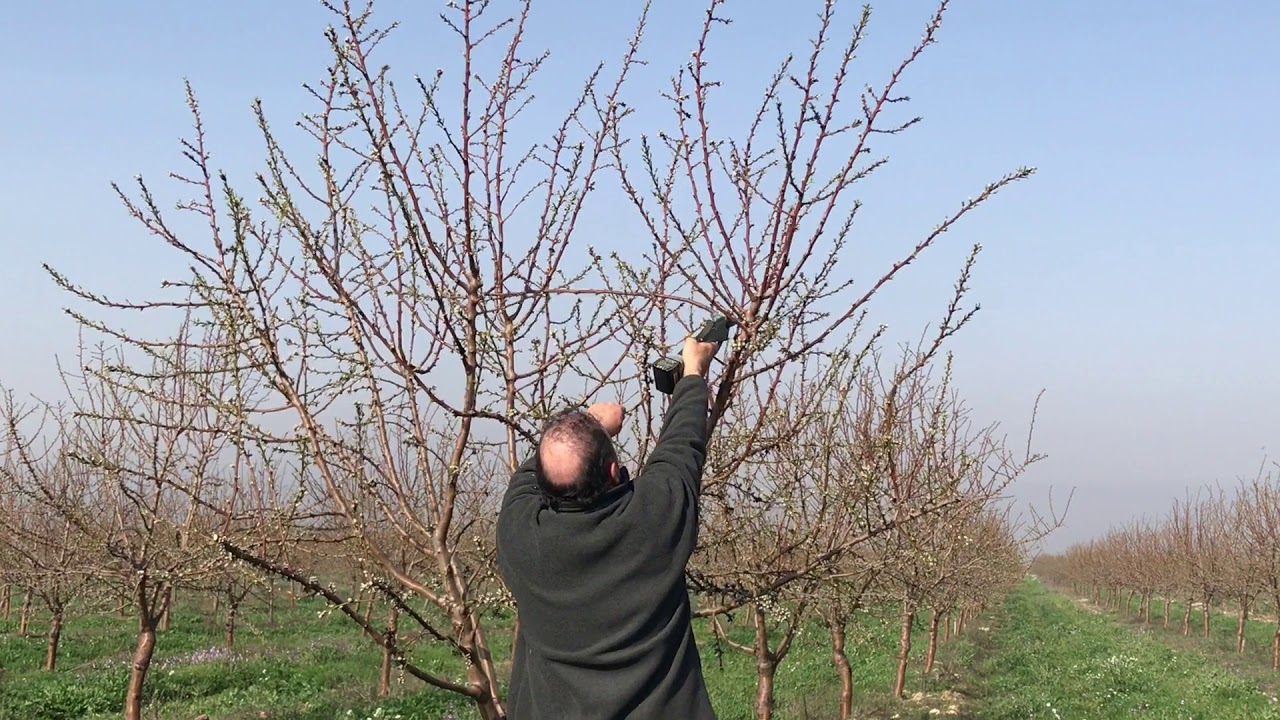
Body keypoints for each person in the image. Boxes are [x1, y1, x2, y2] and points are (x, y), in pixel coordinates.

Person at [495, 334, 720, 719]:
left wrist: (589, 424)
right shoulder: (651, 521)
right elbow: (682, 445)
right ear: (614, 471)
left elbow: (536, 469)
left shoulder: (519, 536)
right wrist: (694, 372)